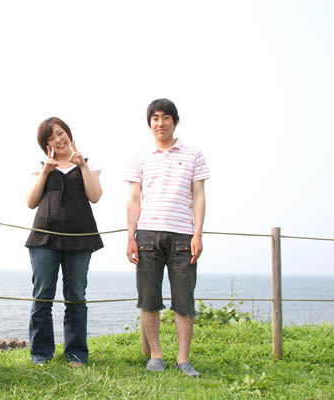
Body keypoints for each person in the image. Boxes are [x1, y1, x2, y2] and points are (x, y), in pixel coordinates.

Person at [124, 99, 210, 377]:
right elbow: (134, 199)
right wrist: (131, 237)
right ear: (149, 123)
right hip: (147, 233)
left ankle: (183, 359)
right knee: (148, 299)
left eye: (165, 117)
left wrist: (198, 233)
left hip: (184, 235)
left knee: (184, 300)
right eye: (155, 118)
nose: (160, 123)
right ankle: (156, 355)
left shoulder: (194, 154)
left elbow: (199, 195)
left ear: (175, 120)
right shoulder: (140, 157)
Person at [25, 117, 104, 367]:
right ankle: (41, 354)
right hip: (44, 239)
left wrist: (82, 166)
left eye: (60, 133)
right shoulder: (42, 167)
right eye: (51, 138)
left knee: (76, 296)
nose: (58, 140)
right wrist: (46, 172)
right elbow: (31, 202)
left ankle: (76, 354)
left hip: (80, 238)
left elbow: (95, 196)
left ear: (68, 133)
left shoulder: (87, 163)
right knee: (42, 296)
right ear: (45, 145)